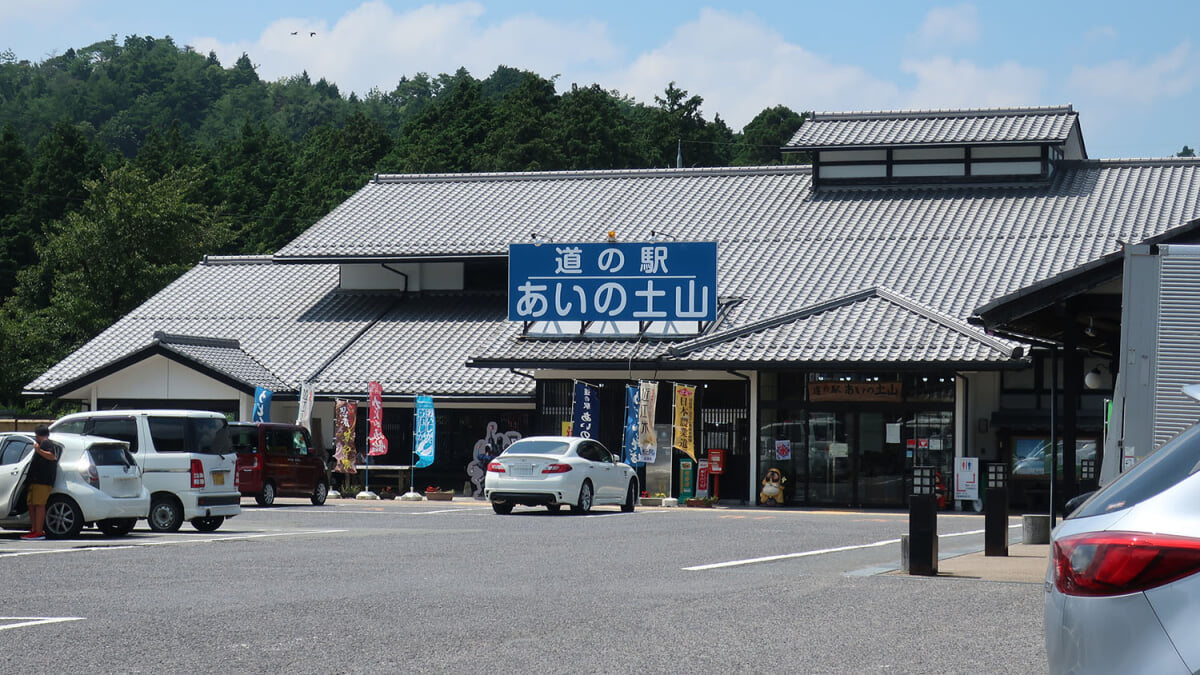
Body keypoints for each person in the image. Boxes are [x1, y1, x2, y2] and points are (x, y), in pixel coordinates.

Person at [22, 425, 60, 541]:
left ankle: (38, 531)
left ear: (37, 435)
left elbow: (52, 456)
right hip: (35, 480)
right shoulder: (43, 444)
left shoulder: (46, 444)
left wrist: (38, 450)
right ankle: (34, 530)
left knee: (39, 505)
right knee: (32, 504)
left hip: (43, 481)